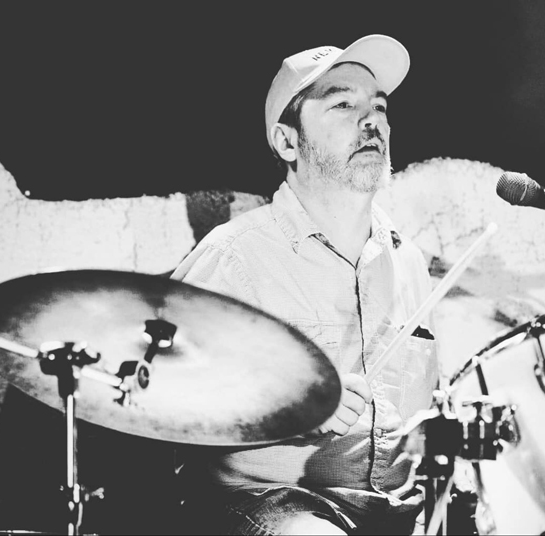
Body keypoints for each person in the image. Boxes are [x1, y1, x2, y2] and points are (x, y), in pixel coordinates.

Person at [171, 34, 439, 535]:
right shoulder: (234, 256)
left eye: (380, 107)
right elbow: (162, 398)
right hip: (272, 505)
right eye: (343, 104)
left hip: (400, 512)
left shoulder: (408, 262)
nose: (373, 121)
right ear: (287, 141)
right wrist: (295, 403)